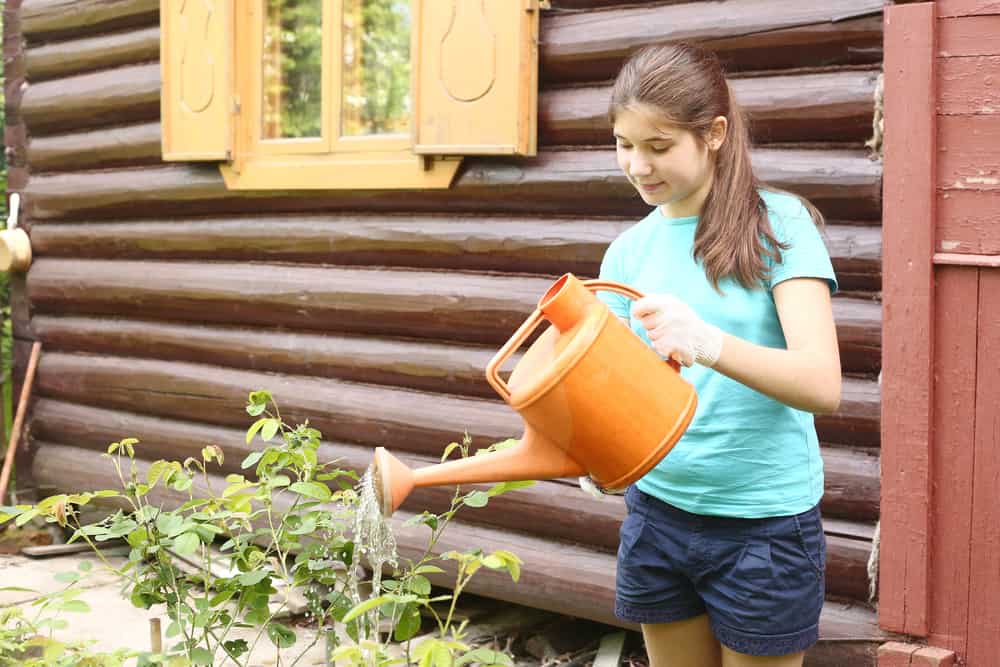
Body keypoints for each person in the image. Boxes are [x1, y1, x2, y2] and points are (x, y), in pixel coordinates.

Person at [590, 43, 842, 667]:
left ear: (715, 134)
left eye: (658, 146)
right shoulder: (627, 254)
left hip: (765, 528)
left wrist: (707, 343)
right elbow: (627, 396)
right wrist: (599, 447)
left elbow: (822, 384)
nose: (637, 165)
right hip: (658, 514)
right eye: (624, 144)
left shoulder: (778, 225)